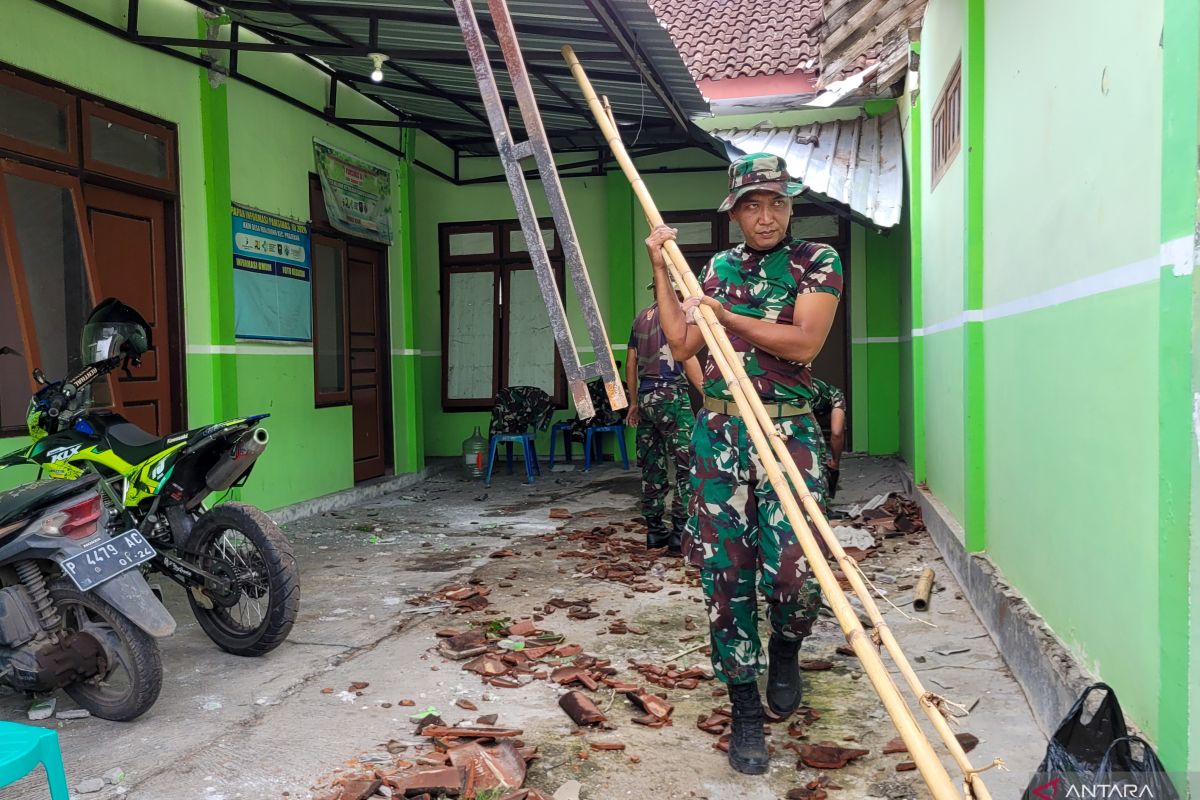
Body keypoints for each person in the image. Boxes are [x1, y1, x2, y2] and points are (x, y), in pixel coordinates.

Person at [645, 153, 843, 775]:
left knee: (795, 566)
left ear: (790, 206)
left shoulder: (817, 262)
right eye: (752, 205)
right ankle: (744, 710)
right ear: (734, 212)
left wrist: (728, 316)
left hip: (788, 432)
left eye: (776, 203)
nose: (765, 216)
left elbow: (804, 341)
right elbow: (682, 344)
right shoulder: (719, 267)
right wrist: (662, 270)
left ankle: (785, 646)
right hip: (722, 429)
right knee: (725, 573)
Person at [625, 290, 702, 552]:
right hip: (671, 395)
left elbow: (631, 362)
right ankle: (680, 533)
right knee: (688, 464)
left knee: (651, 466)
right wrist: (707, 394)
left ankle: (655, 532)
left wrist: (634, 403)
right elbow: (687, 356)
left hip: (647, 397)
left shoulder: (640, 318)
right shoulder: (678, 315)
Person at [810, 377, 847, 498]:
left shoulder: (799, 383)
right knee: (817, 458)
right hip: (802, 410)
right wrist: (835, 462)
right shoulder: (836, 395)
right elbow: (837, 432)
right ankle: (822, 506)